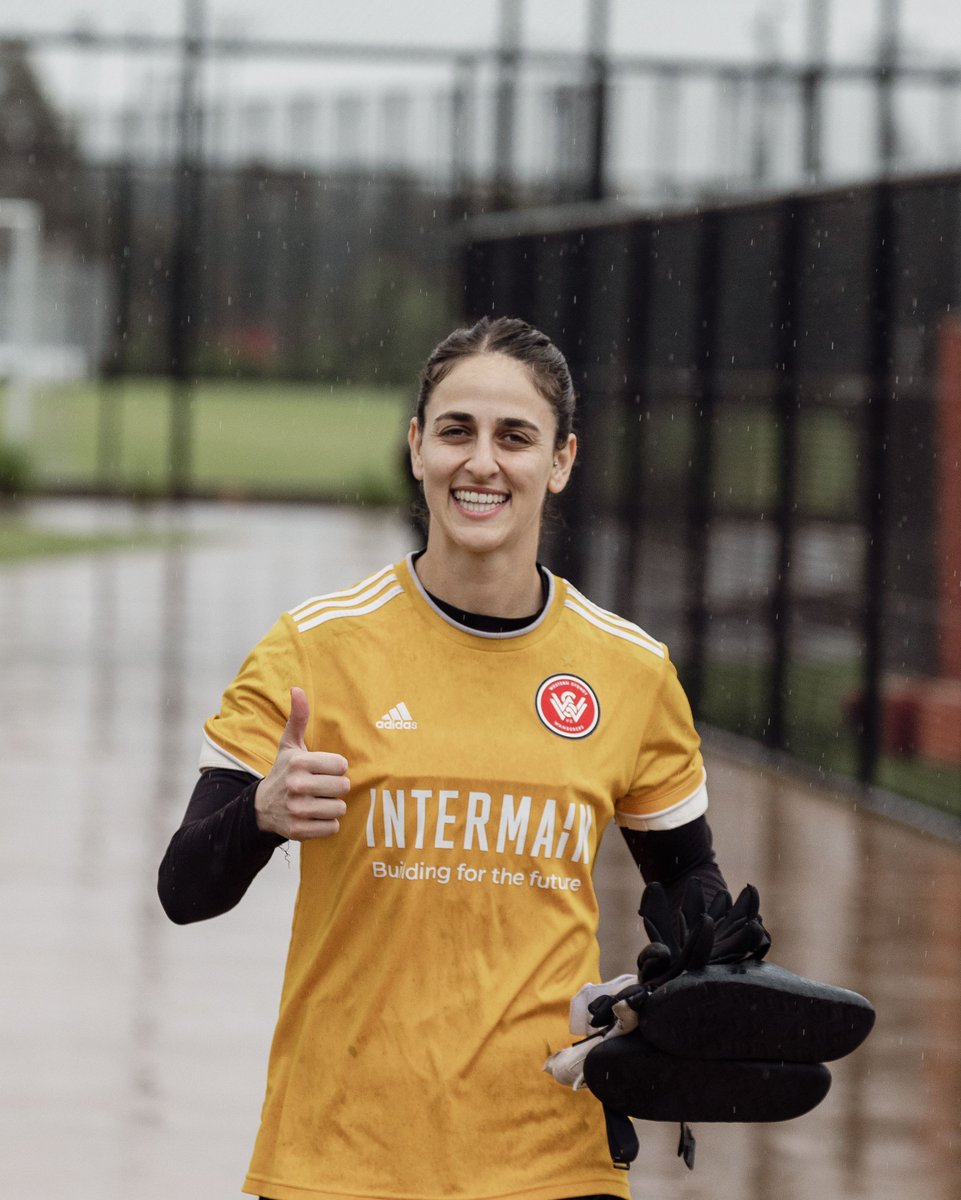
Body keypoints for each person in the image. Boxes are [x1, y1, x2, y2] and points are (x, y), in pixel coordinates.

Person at [158, 316, 729, 1200]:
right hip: (338, 1159)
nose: (482, 463)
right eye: (456, 430)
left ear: (562, 460)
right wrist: (262, 815)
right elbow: (184, 890)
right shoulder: (313, 648)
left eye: (515, 437)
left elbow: (689, 878)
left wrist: (700, 964)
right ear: (417, 446)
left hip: (551, 1162)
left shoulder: (630, 670)